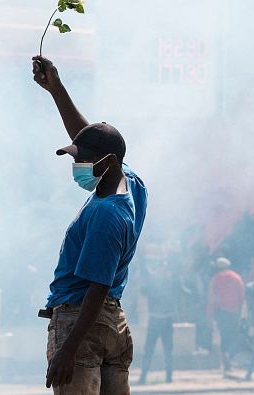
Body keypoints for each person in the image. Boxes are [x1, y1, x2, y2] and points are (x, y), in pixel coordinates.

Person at [33, 55, 149, 394]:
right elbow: (93, 139)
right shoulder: (131, 183)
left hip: (82, 321)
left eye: (82, 158)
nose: (77, 163)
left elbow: (96, 287)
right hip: (113, 324)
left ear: (108, 162)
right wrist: (56, 90)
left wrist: (67, 349)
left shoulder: (106, 215)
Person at [137, 256, 178, 384]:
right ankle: (149, 376)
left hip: (160, 319)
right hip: (158, 318)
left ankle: (164, 376)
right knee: (155, 349)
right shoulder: (167, 281)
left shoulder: (161, 281)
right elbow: (144, 291)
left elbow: (143, 291)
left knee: (160, 349)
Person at [207, 257, 245, 375]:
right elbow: (242, 297)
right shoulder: (237, 278)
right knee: (235, 336)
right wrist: (243, 313)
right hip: (235, 312)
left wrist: (209, 315)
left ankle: (225, 361)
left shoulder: (215, 279)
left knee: (224, 337)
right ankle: (229, 356)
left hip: (221, 312)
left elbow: (211, 298)